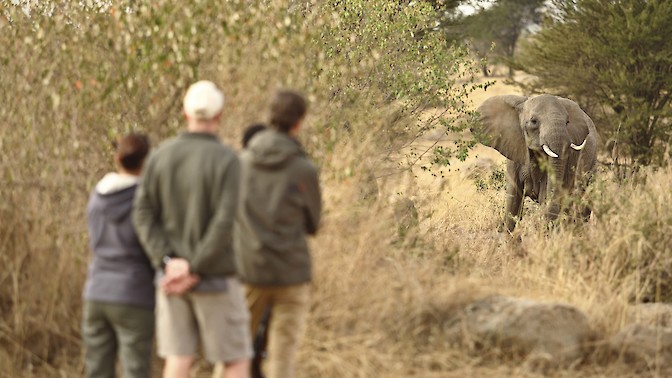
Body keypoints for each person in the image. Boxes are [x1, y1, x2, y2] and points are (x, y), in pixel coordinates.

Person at [133, 80, 252, 378]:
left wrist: (168, 263)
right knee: (235, 360)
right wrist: (195, 266)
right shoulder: (227, 160)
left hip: (171, 280)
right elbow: (224, 222)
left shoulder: (160, 156)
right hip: (215, 278)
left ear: (185, 114)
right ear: (219, 115)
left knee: (178, 359)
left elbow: (143, 213)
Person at [235, 90, 322, 378]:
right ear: (299, 122)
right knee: (283, 359)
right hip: (291, 273)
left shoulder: (242, 163)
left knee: (235, 353)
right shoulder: (303, 168)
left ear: (269, 117)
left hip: (250, 268)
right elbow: (313, 224)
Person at [82, 132, 154, 378]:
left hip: (96, 291)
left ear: (117, 159)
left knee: (97, 370)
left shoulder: (96, 197)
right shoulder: (145, 199)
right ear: (146, 161)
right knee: (136, 370)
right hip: (133, 293)